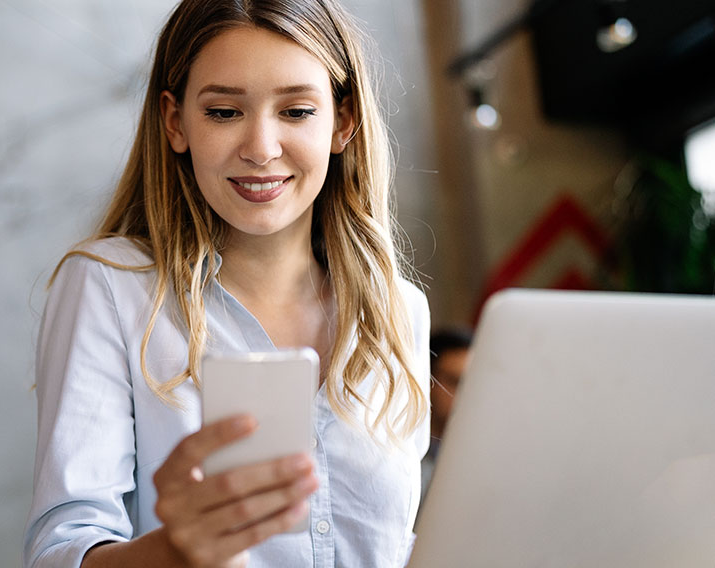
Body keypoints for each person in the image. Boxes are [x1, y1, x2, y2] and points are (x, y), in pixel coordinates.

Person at [24, 1, 430, 566]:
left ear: (343, 122)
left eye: (295, 111)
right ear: (175, 122)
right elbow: (58, 550)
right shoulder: (111, 288)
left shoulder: (397, 310)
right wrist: (174, 551)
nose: (261, 148)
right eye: (222, 112)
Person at [419, 327, 472, 500]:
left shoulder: (481, 459)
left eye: (472, 384)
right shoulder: (400, 455)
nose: (466, 394)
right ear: (427, 381)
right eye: (455, 382)